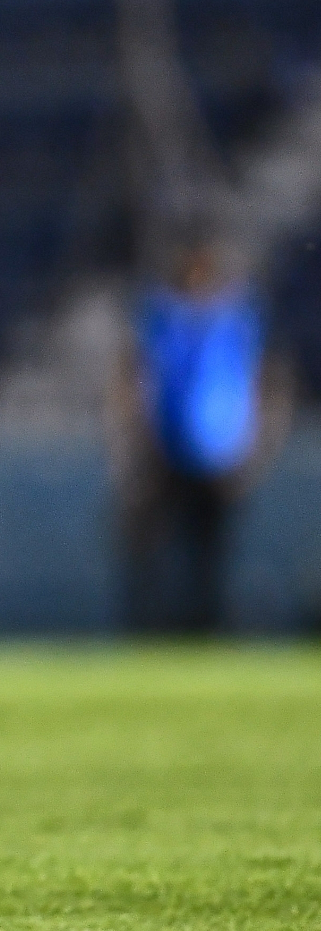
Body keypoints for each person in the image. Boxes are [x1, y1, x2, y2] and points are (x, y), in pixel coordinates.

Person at [111, 232, 294, 632]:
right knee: (154, 544)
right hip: (167, 450)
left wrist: (258, 442)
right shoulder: (161, 315)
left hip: (220, 451)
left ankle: (207, 623)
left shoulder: (237, 317)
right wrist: (133, 441)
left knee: (210, 548)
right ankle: (153, 625)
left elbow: (260, 379)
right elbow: (138, 377)